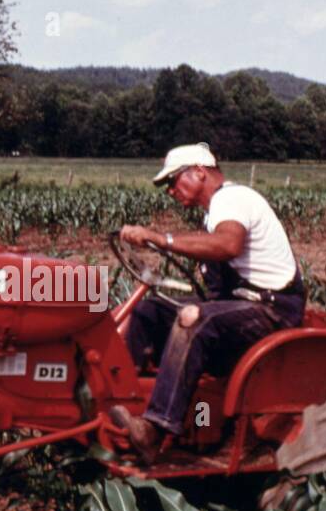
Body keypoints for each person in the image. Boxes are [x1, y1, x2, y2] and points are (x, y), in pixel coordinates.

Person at [111, 142, 304, 463]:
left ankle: (155, 430)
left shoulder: (233, 198)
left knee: (193, 318)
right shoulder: (214, 214)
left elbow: (228, 244)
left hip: (273, 308)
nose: (171, 190)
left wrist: (162, 239)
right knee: (150, 311)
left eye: (174, 181)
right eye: (167, 186)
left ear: (199, 172)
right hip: (242, 305)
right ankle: (119, 402)